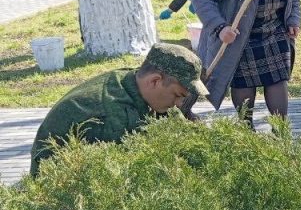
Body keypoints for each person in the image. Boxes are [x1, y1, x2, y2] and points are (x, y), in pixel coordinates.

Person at [30, 43, 207, 175]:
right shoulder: (111, 116)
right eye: (177, 95)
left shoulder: (133, 80)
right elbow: (129, 174)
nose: (178, 104)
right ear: (154, 81)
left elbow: (181, 133)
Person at [191, 0, 301, 124]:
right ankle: (246, 130)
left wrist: (294, 18)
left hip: (274, 32)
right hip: (240, 37)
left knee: (278, 79)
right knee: (244, 84)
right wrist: (220, 27)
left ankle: (281, 132)